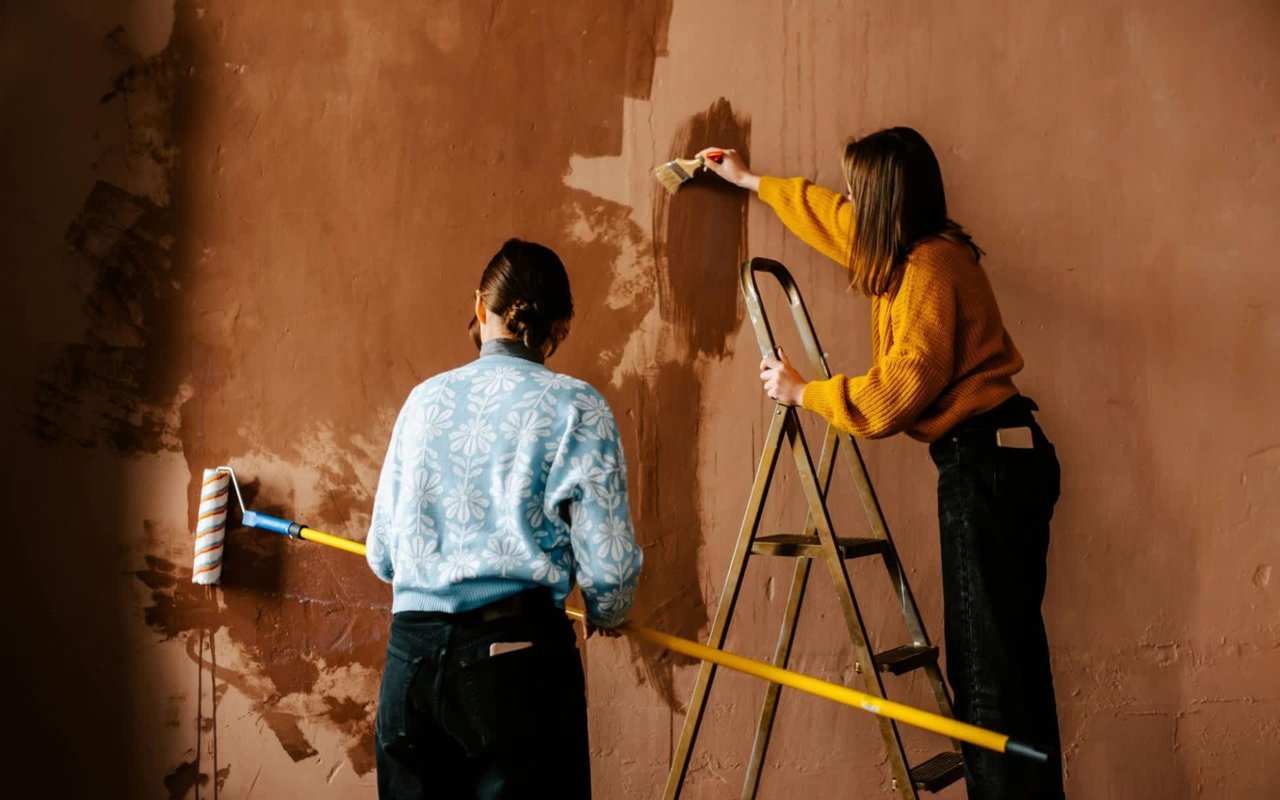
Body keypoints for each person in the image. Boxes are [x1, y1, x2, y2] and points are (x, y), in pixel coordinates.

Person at [697, 129, 1064, 799]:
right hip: (1006, 457)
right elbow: (831, 217)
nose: (848, 202)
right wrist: (751, 182)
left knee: (989, 676)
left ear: (886, 202)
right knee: (1008, 665)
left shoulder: (928, 269)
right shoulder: (913, 253)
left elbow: (899, 390)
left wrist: (805, 393)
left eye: (858, 193)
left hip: (988, 466)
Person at [366, 238, 642, 799]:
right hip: (515, 664)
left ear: (479, 306)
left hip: (410, 665)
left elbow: (382, 556)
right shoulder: (576, 406)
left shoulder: (423, 402)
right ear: (560, 329)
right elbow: (609, 571)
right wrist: (607, 610)